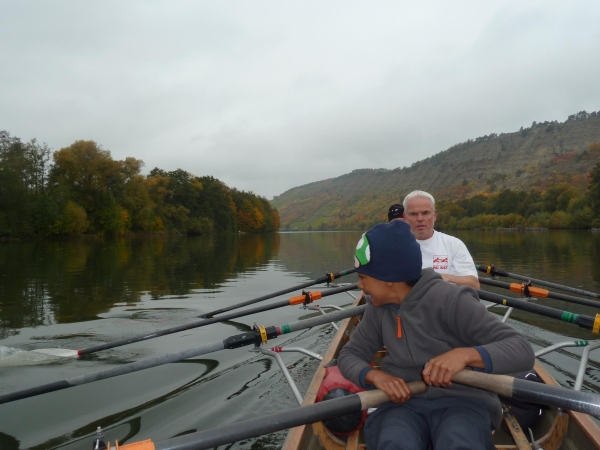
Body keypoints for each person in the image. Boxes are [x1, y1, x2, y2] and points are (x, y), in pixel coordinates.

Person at [339, 220, 535, 450]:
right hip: (403, 404)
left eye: (363, 277)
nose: (359, 285)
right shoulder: (377, 308)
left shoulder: (452, 300)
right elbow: (349, 355)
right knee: (394, 443)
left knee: (457, 442)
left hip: (464, 402)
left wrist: (465, 355)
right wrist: (374, 376)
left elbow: (522, 349)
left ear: (388, 279)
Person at [403, 190, 480, 288]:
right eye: (413, 214)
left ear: (434, 215)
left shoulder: (454, 244)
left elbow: (474, 285)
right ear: (405, 218)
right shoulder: (395, 247)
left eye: (425, 213)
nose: (420, 219)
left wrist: (445, 278)